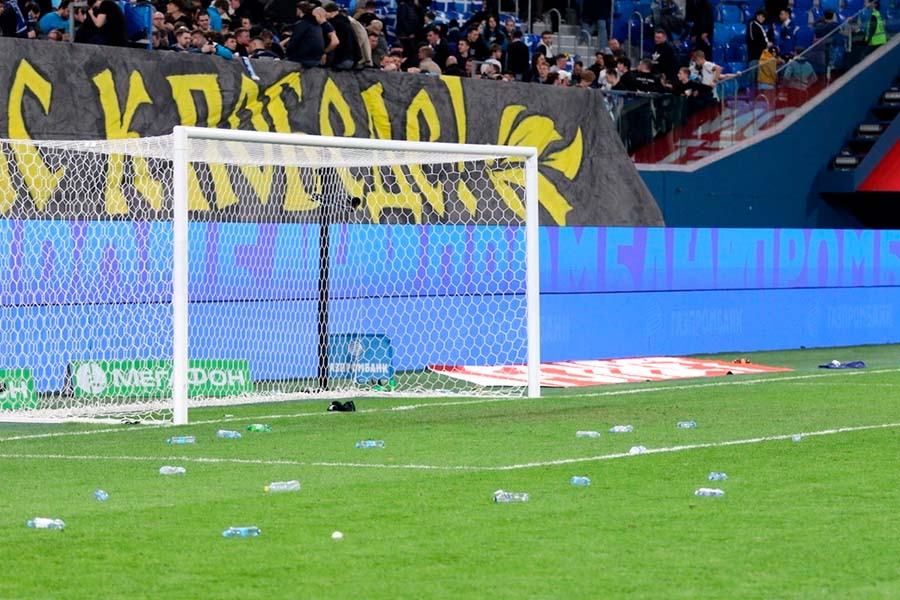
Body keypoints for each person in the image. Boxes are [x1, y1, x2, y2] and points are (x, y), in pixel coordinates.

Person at [283, 1, 324, 68]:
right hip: (316, 59)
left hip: (303, 58)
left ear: (299, 10)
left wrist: (286, 52)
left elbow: (294, 41)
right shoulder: (317, 24)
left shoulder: (301, 24)